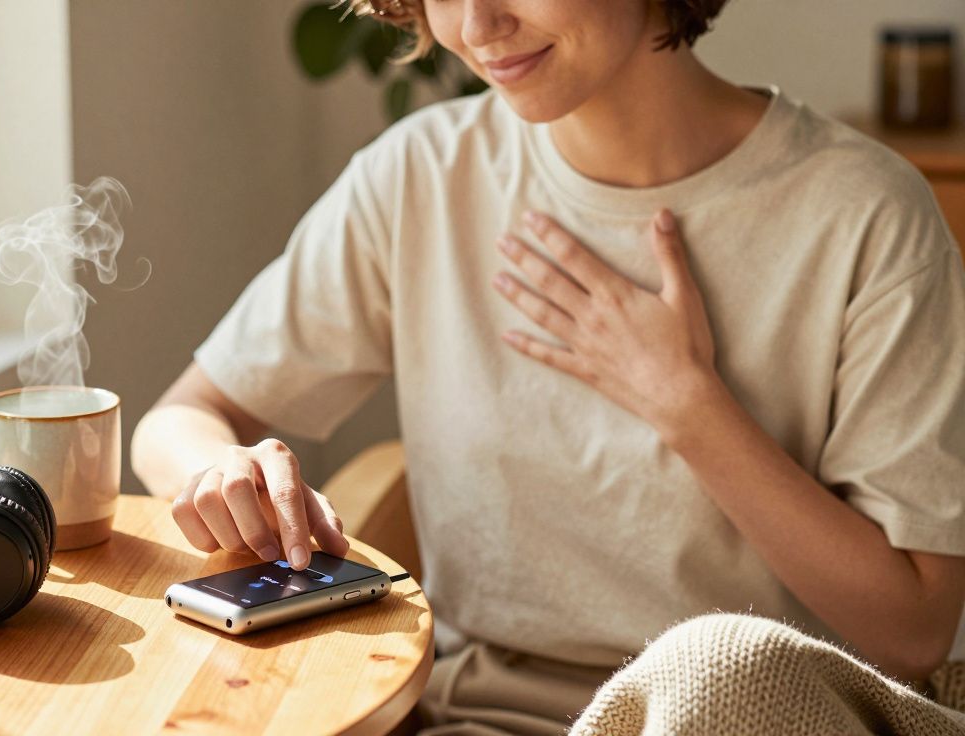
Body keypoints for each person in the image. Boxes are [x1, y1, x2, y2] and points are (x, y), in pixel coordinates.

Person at [132, 0, 965, 732]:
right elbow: (181, 418)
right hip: (478, 720)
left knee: (718, 663)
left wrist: (688, 406)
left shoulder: (865, 215)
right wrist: (228, 473)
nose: (475, 25)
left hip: (766, 713)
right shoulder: (420, 178)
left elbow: (915, 629)